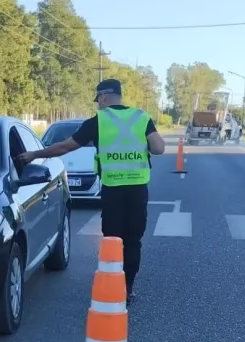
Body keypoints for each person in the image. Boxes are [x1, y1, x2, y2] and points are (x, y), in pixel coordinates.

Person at [17, 79, 166, 304]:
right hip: (137, 189)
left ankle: (112, 284)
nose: (98, 105)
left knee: (113, 239)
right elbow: (158, 148)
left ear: (104, 96)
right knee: (134, 240)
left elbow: (66, 146)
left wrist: (34, 155)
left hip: (113, 189)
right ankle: (128, 287)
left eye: (98, 100)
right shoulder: (141, 117)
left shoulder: (98, 121)